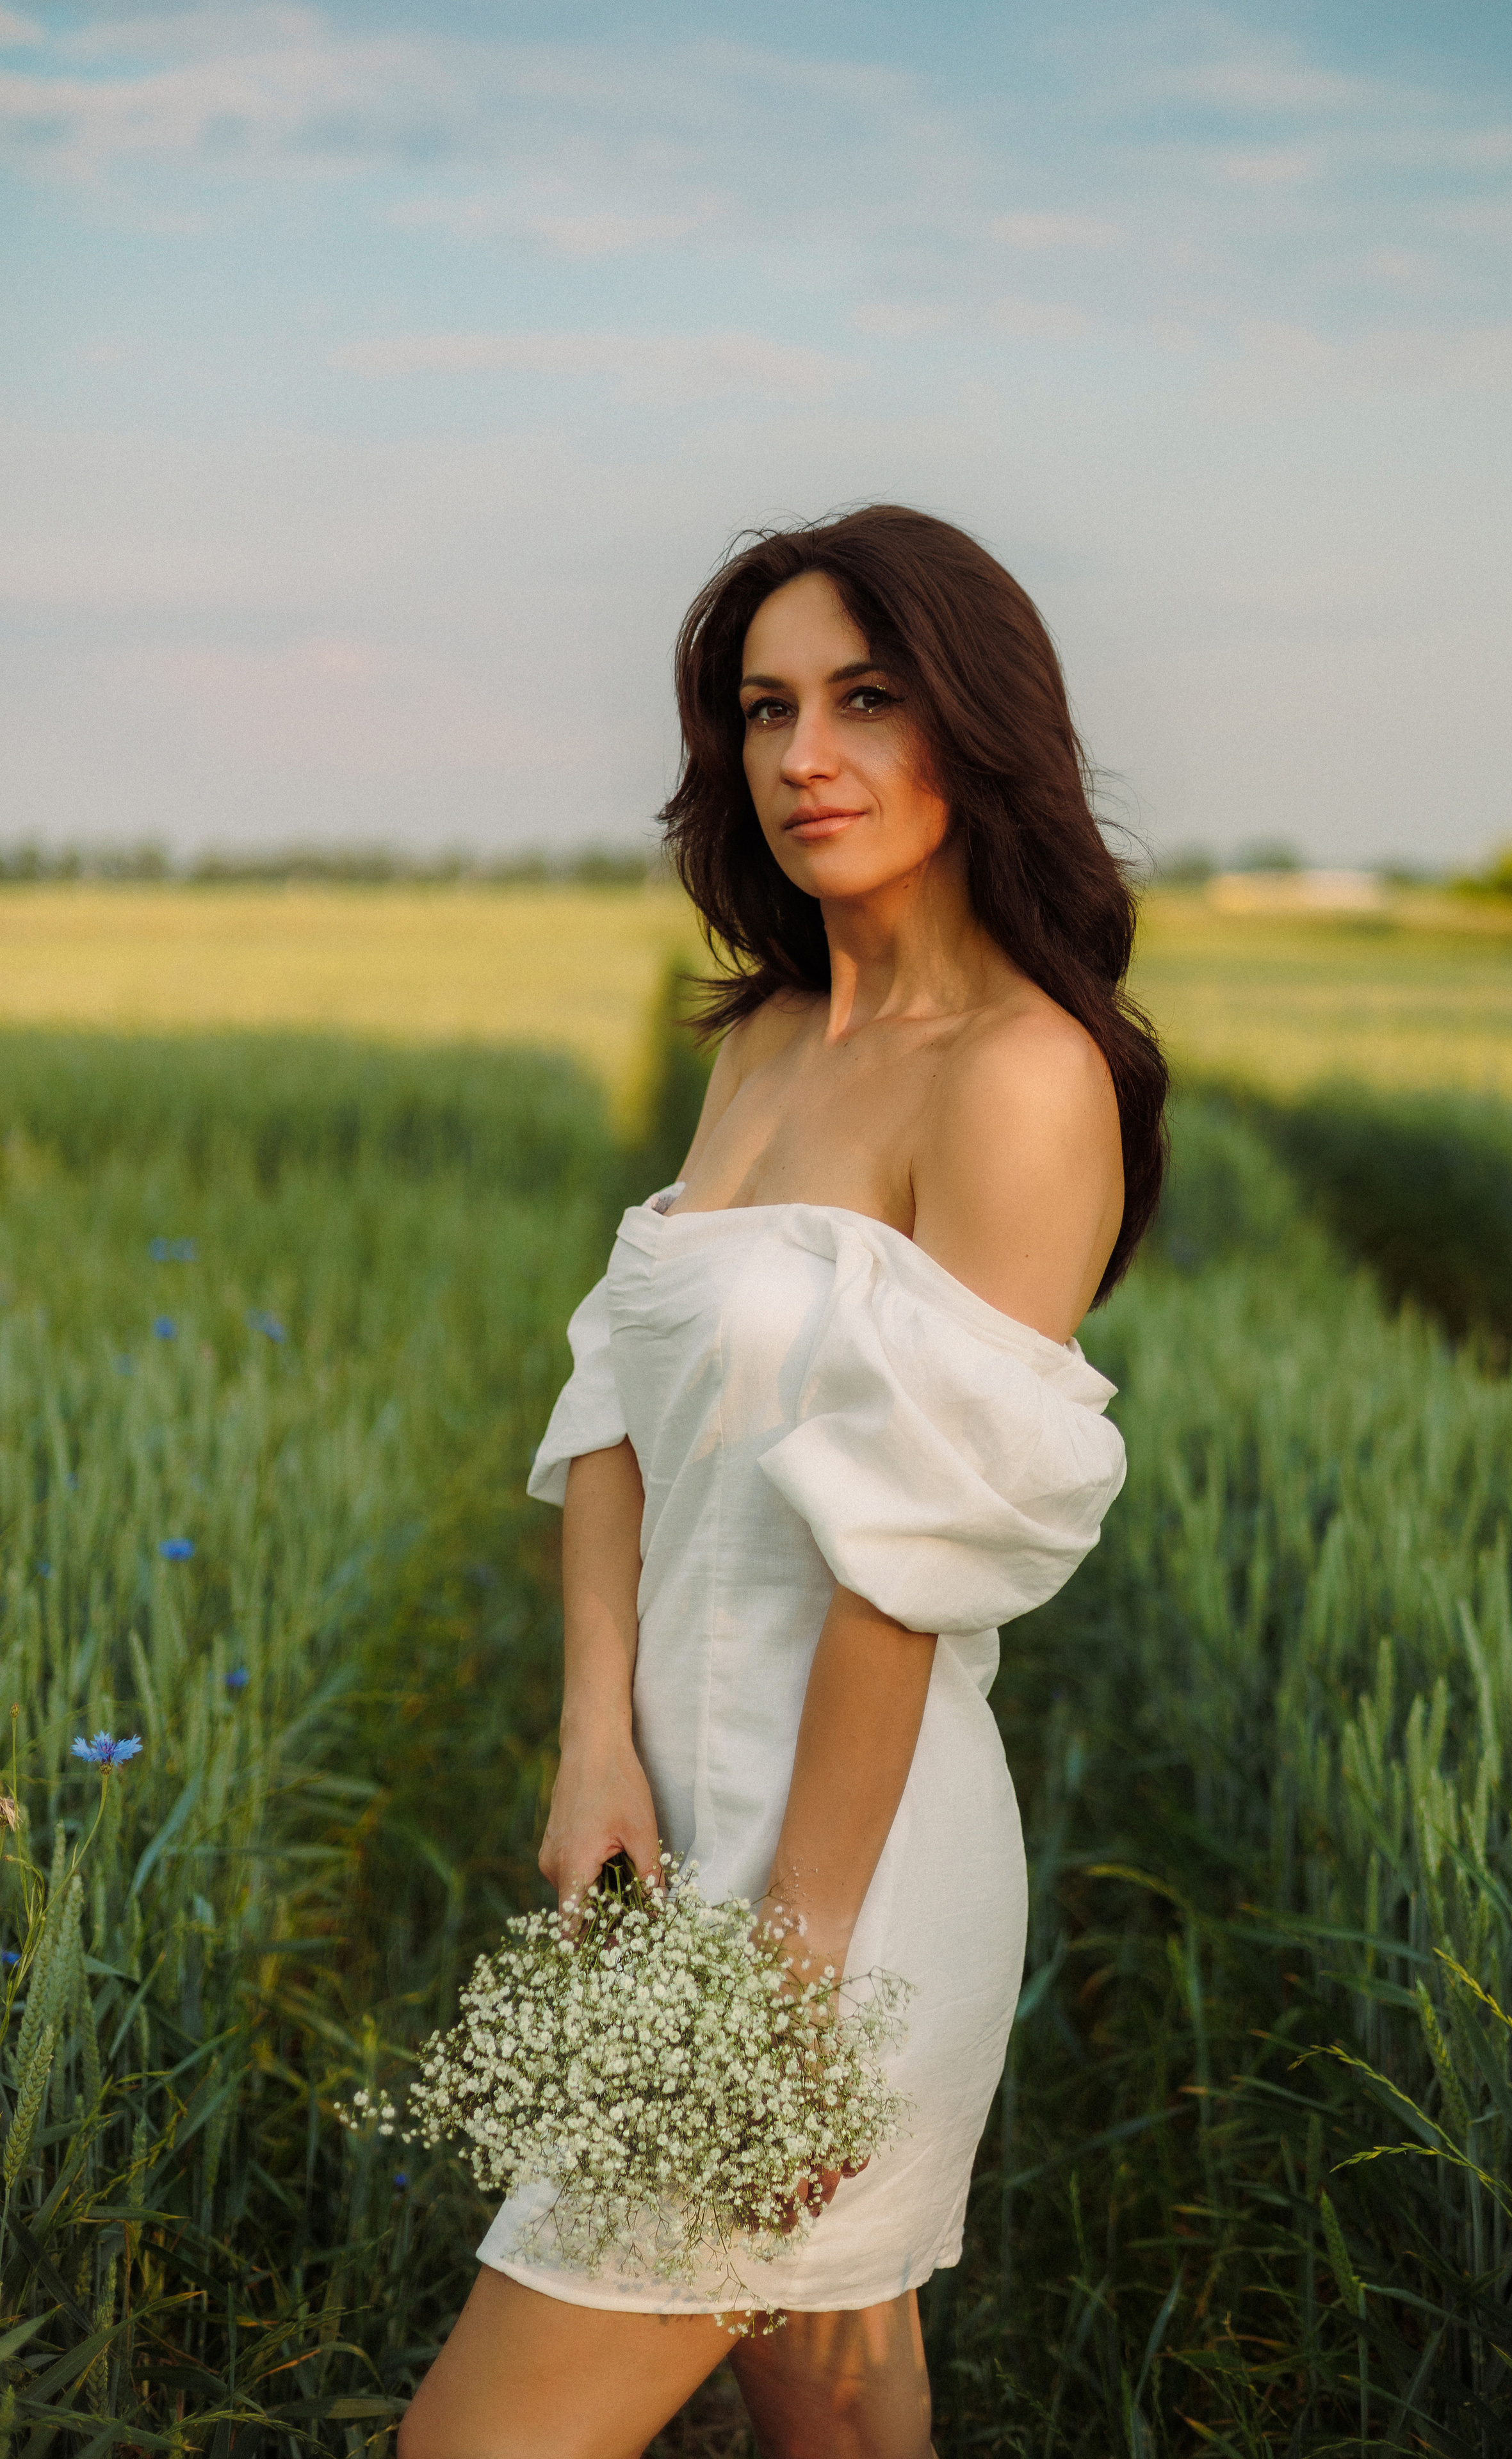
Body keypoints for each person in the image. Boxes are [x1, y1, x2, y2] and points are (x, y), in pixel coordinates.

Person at [400, 505, 1167, 2458]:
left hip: (846, 1874)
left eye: (866, 699)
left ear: (977, 725)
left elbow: (912, 1550)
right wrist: (594, 1742)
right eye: (765, 709)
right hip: (674, 1822)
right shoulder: (759, 1041)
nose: (805, 755)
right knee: (835, 2423)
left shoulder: (1020, 1076)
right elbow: (616, 1399)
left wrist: (797, 1973)